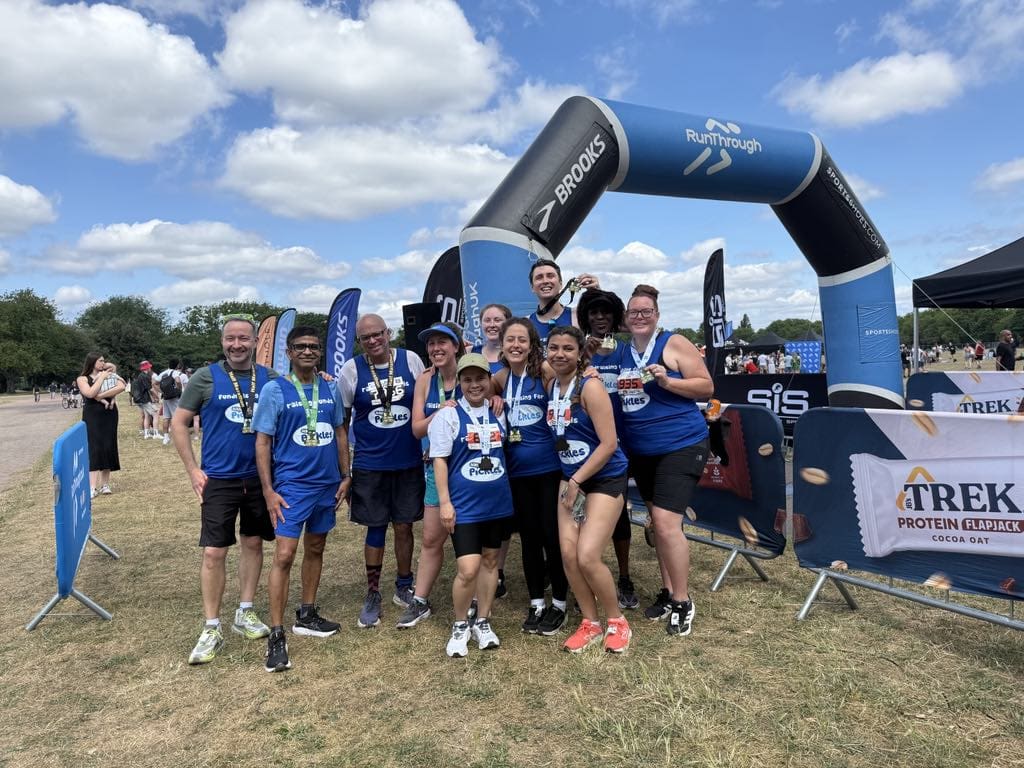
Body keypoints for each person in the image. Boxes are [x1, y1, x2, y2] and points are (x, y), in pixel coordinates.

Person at [170, 314, 276, 666]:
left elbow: (300, 390)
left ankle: (245, 610)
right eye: (231, 338)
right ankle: (212, 626)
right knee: (214, 552)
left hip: (260, 477)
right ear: (222, 342)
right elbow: (178, 423)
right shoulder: (204, 377)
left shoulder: (270, 378)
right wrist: (193, 470)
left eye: (244, 338)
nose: (237, 345)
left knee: (253, 542)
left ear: (254, 343)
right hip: (219, 479)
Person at [619, 285, 713, 637]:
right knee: (657, 525)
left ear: (657, 315)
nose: (639, 317)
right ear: (626, 319)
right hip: (642, 450)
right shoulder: (622, 352)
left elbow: (706, 387)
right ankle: (669, 589)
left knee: (664, 521)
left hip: (682, 443)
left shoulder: (673, 343)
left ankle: (683, 600)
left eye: (646, 311)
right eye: (634, 313)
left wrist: (668, 381)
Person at [254, 326, 348, 672]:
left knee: (317, 546)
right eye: (301, 347)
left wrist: (346, 475)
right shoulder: (274, 390)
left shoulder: (330, 387)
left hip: (327, 484)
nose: (308, 352)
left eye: (313, 347)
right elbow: (262, 442)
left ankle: (306, 614)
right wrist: (268, 490)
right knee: (284, 554)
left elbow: (339, 432)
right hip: (292, 486)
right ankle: (276, 633)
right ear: (289, 353)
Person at [545, 326, 632, 653]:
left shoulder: (590, 386)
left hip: (602, 477)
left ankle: (617, 621)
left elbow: (609, 444)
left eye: (568, 348)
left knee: (587, 554)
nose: (560, 354)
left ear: (581, 353)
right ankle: (590, 622)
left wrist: (577, 480)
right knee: (568, 554)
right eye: (554, 348)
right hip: (571, 479)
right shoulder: (552, 384)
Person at [339, 314, 425, 627]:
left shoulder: (410, 360)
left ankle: (404, 585)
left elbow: (426, 402)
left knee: (404, 526)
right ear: (359, 342)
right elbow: (342, 423)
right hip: (370, 464)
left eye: (378, 334)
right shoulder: (351, 370)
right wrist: (345, 470)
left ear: (388, 333)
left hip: (408, 461)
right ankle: (373, 591)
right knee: (375, 527)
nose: (374, 341)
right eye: (366, 338)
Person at [428, 353, 514, 657]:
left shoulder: (499, 412)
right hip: (465, 506)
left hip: (497, 503)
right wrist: (445, 504)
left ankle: (483, 621)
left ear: (489, 381)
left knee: (491, 562)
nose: (475, 385)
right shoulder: (447, 415)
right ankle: (460, 623)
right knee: (467, 568)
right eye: (468, 379)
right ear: (459, 383)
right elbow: (439, 461)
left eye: (480, 378)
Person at [492, 318, 569, 635]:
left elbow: (569, 389)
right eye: (510, 340)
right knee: (529, 539)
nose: (515, 346)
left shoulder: (545, 372)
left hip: (549, 470)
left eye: (522, 340)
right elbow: (476, 392)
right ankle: (536, 601)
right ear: (502, 344)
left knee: (553, 537)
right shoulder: (501, 377)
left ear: (532, 343)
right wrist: (490, 399)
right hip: (517, 472)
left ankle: (561, 604)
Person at [398, 322, 465, 629]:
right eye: (431, 344)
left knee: (470, 536)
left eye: (443, 342)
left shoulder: (472, 374)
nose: (436, 348)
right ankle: (421, 600)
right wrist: (442, 412)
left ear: (456, 346)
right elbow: (416, 428)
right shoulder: (425, 380)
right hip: (433, 468)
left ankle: (474, 597)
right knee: (430, 537)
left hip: (466, 468)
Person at [577, 288, 640, 611]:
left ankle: (625, 576)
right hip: (581, 446)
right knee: (581, 515)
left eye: (606, 312)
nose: (600, 318)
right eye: (594, 312)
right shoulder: (578, 351)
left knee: (618, 516)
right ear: (585, 317)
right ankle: (585, 576)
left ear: (615, 317)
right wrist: (584, 356)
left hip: (619, 445)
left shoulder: (626, 351)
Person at [76, 353, 124, 497]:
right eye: (101, 361)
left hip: (109, 413)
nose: (104, 363)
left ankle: (105, 484)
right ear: (92, 362)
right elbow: (89, 393)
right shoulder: (82, 378)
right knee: (94, 448)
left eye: (104, 361)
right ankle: (92, 487)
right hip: (93, 415)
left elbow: (121, 386)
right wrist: (102, 378)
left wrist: (101, 396)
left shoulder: (110, 374)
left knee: (108, 446)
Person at [527, 259, 600, 348]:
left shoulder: (577, 316)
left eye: (550, 276)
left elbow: (616, 321)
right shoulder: (526, 323)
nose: (545, 281)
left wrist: (597, 293)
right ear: (532, 287)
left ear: (561, 284)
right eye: (539, 277)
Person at [472, 304, 512, 373]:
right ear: (480, 324)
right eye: (487, 320)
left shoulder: (515, 354)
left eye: (497, 320)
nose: (492, 325)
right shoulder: (470, 352)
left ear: (509, 324)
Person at [158, 360, 187, 445]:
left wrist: (161, 391)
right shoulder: (175, 373)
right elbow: (178, 381)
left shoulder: (164, 373)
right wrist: (179, 389)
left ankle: (166, 438)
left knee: (166, 417)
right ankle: (177, 436)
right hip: (174, 397)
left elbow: (154, 382)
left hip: (166, 397)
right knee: (176, 418)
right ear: (177, 366)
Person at [132, 360, 160, 438]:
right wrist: (156, 396)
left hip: (139, 399)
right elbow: (150, 389)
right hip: (145, 399)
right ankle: (156, 434)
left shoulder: (140, 376)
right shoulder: (146, 376)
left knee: (147, 415)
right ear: (148, 368)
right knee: (155, 414)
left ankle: (146, 434)